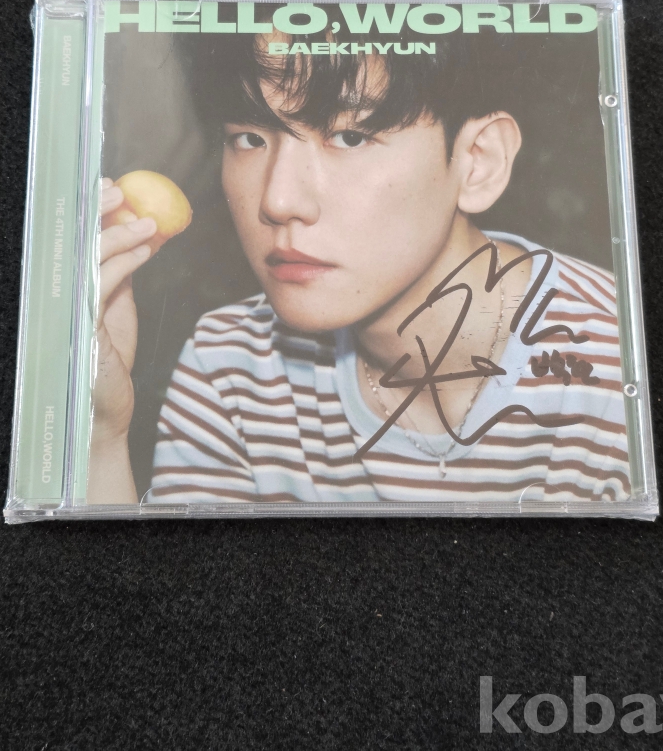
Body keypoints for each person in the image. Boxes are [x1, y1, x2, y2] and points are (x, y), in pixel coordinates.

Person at [88, 28, 630, 506]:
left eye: (349, 136)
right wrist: (100, 437)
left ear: (478, 162)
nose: (278, 200)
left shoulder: (620, 367)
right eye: (249, 139)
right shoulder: (230, 364)